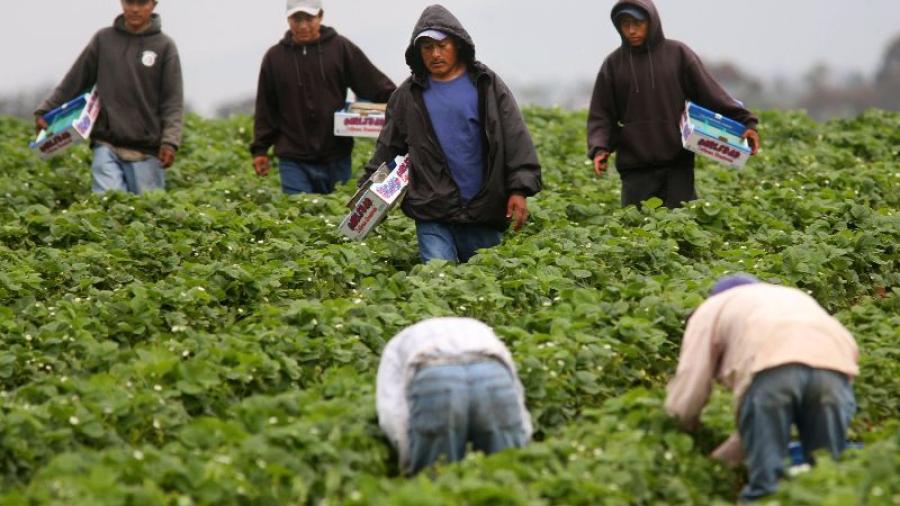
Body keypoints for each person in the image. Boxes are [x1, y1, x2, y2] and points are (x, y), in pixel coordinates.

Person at [361, 4, 542, 263]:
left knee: (483, 283)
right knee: (438, 281)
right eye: (427, 48)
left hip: (483, 207)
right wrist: (366, 195)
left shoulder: (486, 85)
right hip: (432, 210)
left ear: (457, 45)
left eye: (442, 45)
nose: (435, 54)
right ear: (417, 53)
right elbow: (388, 148)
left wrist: (519, 189)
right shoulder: (406, 96)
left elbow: (515, 138)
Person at [665, 274, 859, 502]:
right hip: (834, 366)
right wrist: (729, 453)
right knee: (826, 473)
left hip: (773, 365)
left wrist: (677, 428)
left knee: (766, 488)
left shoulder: (711, 309)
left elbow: (692, 381)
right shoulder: (789, 297)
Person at [588, 0, 761, 208]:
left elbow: (711, 94)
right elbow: (601, 114)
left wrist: (746, 123)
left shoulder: (678, 55)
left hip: (677, 167)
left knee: (680, 230)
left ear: (651, 22)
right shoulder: (613, 65)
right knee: (639, 233)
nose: (631, 30)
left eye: (637, 23)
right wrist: (600, 149)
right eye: (625, 24)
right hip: (635, 170)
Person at [34, 0, 183, 195]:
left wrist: (170, 141)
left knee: (148, 214)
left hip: (146, 150)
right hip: (106, 143)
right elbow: (74, 80)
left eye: (142, 3)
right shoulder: (104, 40)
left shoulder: (164, 46)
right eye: (129, 2)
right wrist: (46, 110)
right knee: (109, 207)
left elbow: (172, 101)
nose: (135, 9)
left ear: (153, 5)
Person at [250, 0, 396, 195]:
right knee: (300, 216)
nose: (303, 25)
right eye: (296, 19)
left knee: (338, 216)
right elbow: (265, 108)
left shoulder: (340, 48)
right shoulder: (275, 58)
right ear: (288, 20)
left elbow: (372, 82)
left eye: (309, 18)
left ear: (320, 16)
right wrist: (260, 150)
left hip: (337, 156)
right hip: (293, 160)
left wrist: (400, 102)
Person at [376, 317, 533, 475]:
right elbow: (515, 387)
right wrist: (521, 438)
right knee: (505, 470)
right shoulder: (478, 327)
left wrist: (410, 458)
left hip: (436, 376)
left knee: (437, 476)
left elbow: (391, 409)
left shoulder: (396, 344)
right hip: (492, 373)